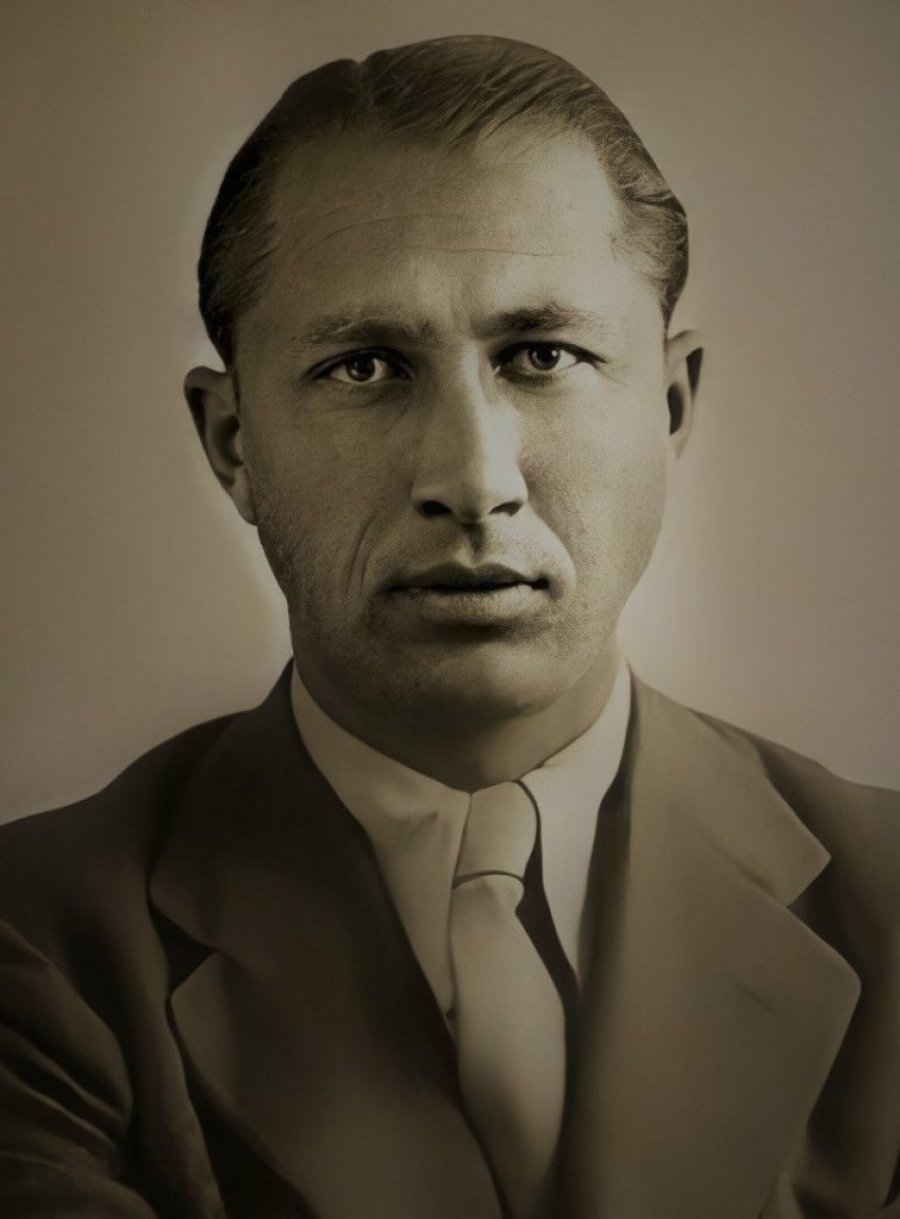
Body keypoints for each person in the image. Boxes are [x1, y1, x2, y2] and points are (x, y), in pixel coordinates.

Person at [0, 34, 897, 1219]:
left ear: (671, 407)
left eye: (543, 355)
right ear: (233, 443)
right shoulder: (33, 940)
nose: (474, 480)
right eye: (365, 367)